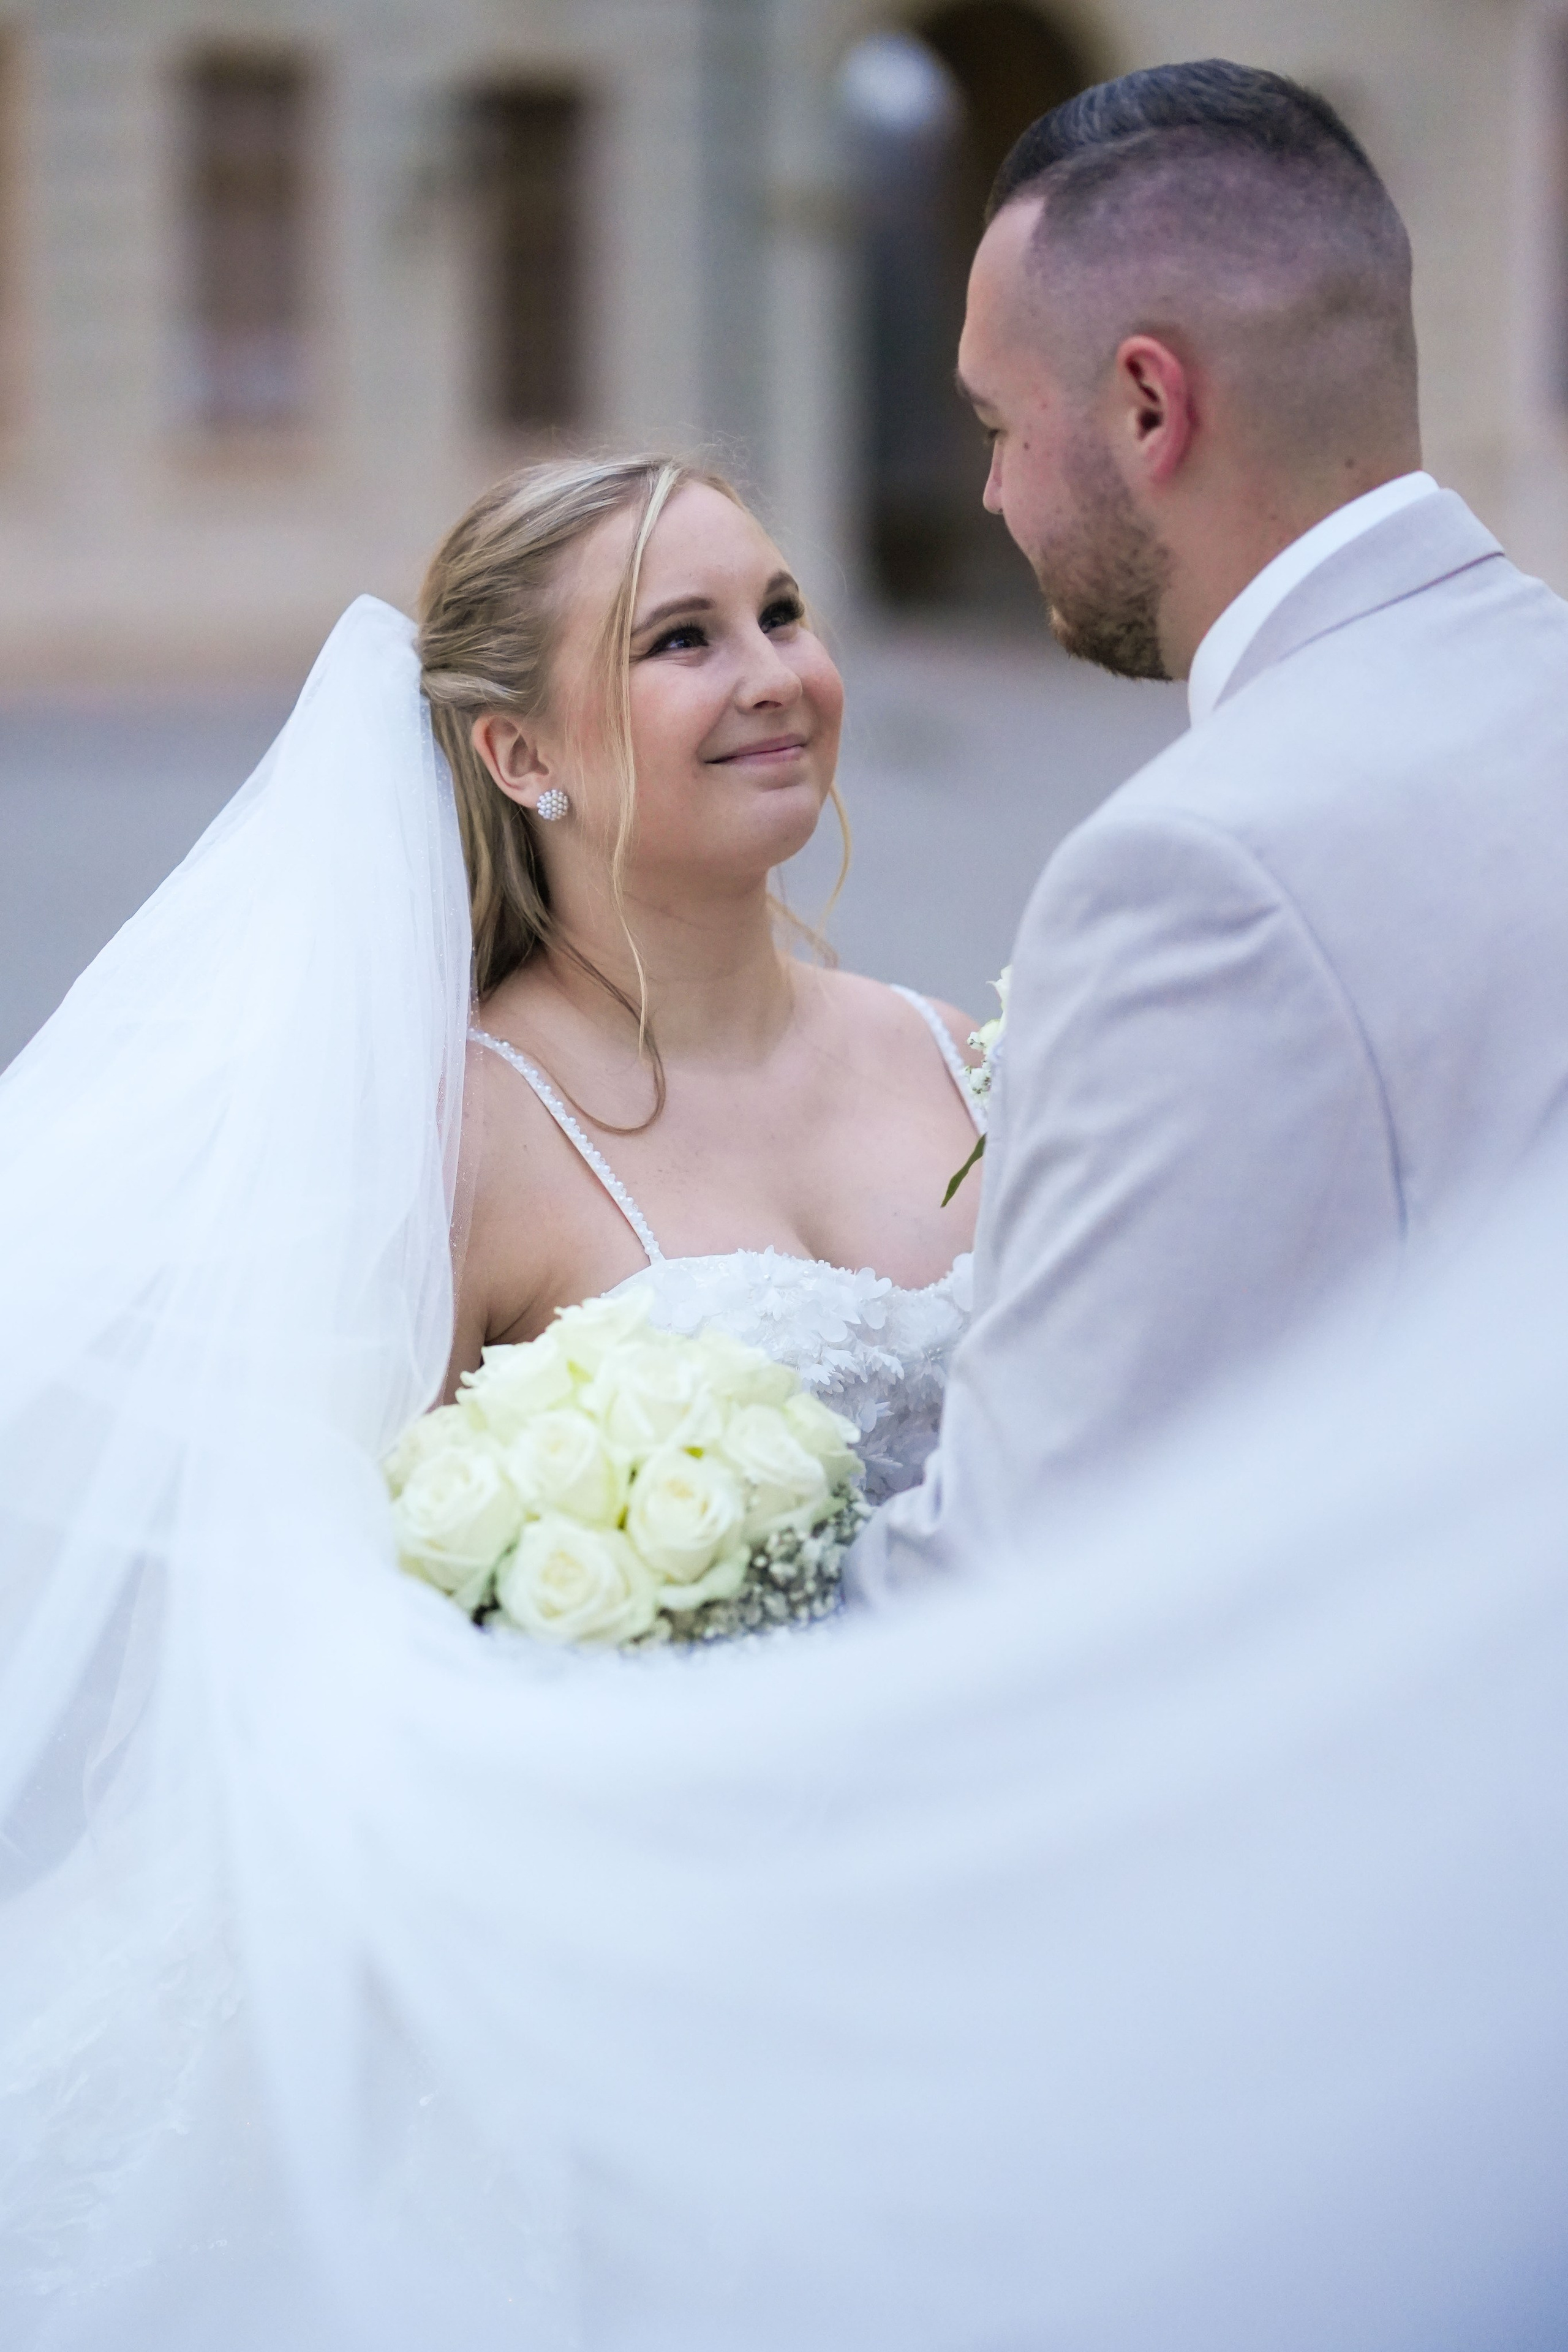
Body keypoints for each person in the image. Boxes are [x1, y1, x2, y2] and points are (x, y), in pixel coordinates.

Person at [852, 58, 1568, 1597]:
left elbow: (1028, 1562)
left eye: (995, 425)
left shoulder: (1194, 872)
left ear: (1145, 405)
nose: (987, 496)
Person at [420, 456, 982, 1500]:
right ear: (522, 758)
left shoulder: (951, 1054)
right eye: (683, 638)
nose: (775, 678)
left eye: (781, 615)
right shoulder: (459, 1148)